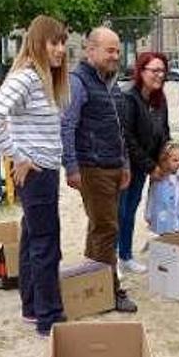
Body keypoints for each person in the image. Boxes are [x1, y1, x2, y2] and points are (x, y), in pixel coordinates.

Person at [0, 15, 70, 337]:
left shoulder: (42, 78)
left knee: (33, 238)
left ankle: (33, 308)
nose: (60, 49)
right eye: (54, 42)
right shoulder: (27, 77)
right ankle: (50, 318)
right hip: (37, 172)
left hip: (42, 170)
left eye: (63, 43)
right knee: (47, 244)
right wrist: (18, 156)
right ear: (37, 42)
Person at [61, 27, 137, 312]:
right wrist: (71, 167)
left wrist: (125, 163)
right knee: (107, 228)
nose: (116, 56)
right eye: (110, 50)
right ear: (90, 50)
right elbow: (67, 125)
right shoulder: (78, 82)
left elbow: (119, 128)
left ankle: (92, 286)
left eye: (118, 50)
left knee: (99, 227)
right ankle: (110, 291)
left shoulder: (110, 82)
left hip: (113, 165)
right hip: (93, 167)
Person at [118, 51, 171, 274]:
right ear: (141, 72)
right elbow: (127, 137)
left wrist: (166, 157)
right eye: (154, 70)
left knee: (130, 210)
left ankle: (126, 256)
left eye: (162, 71)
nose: (159, 75)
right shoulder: (129, 97)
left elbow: (164, 131)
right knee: (119, 212)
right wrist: (151, 166)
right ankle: (113, 258)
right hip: (126, 166)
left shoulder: (160, 99)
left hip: (145, 165)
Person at [145, 143, 179, 235]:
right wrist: (148, 213)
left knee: (178, 238)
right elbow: (152, 196)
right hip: (162, 216)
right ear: (165, 161)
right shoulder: (159, 178)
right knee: (164, 238)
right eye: (175, 160)